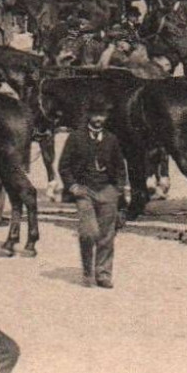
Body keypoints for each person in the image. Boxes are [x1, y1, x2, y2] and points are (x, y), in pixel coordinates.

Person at [57, 97, 128, 288]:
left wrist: (118, 190)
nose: (99, 119)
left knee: (107, 235)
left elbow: (121, 168)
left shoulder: (112, 139)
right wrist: (73, 187)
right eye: (95, 115)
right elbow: (64, 166)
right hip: (84, 191)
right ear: (88, 116)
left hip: (107, 191)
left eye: (102, 115)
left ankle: (103, 274)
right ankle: (88, 272)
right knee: (89, 232)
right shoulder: (75, 137)